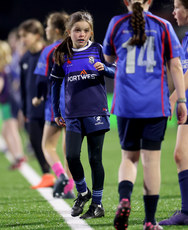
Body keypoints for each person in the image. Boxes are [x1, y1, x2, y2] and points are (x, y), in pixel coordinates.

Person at [102, 0, 187, 229]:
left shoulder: (116, 23)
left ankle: (125, 198)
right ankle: (149, 221)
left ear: (125, 2)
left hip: (126, 104)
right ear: (150, 1)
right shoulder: (163, 25)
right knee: (151, 162)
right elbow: (176, 66)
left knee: (129, 158)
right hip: (155, 105)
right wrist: (180, 100)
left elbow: (108, 59)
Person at [50, 11, 115, 219]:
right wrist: (56, 111)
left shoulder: (97, 49)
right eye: (77, 30)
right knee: (71, 156)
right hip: (72, 115)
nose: (81, 34)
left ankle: (97, 204)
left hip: (96, 111)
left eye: (85, 30)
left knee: (95, 159)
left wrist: (104, 68)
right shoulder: (62, 54)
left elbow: (115, 71)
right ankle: (83, 191)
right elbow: (55, 84)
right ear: (69, 32)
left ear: (91, 33)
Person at [32, 12, 75, 198]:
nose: (46, 29)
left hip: (57, 104)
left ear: (56, 30)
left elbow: (41, 80)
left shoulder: (50, 50)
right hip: (77, 105)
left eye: (48, 26)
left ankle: (61, 176)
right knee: (70, 150)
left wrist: (38, 97)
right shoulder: (77, 48)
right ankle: (70, 188)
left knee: (47, 146)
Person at [159, 0, 188, 226]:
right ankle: (186, 211)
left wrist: (175, 97)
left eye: (178, 6)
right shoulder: (186, 38)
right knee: (180, 155)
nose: (174, 11)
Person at [18, 19, 55, 189]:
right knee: (34, 140)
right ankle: (47, 174)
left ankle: (63, 176)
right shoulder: (24, 57)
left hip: (48, 106)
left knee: (50, 144)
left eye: (26, 36)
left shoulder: (48, 54)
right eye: (21, 36)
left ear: (38, 35)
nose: (23, 39)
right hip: (31, 108)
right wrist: (24, 108)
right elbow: (24, 86)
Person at [0, 40, 26, 169]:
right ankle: (16, 157)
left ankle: (19, 156)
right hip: (8, 103)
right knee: (6, 132)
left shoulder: (2, 69)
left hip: (9, 103)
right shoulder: (7, 67)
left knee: (12, 129)